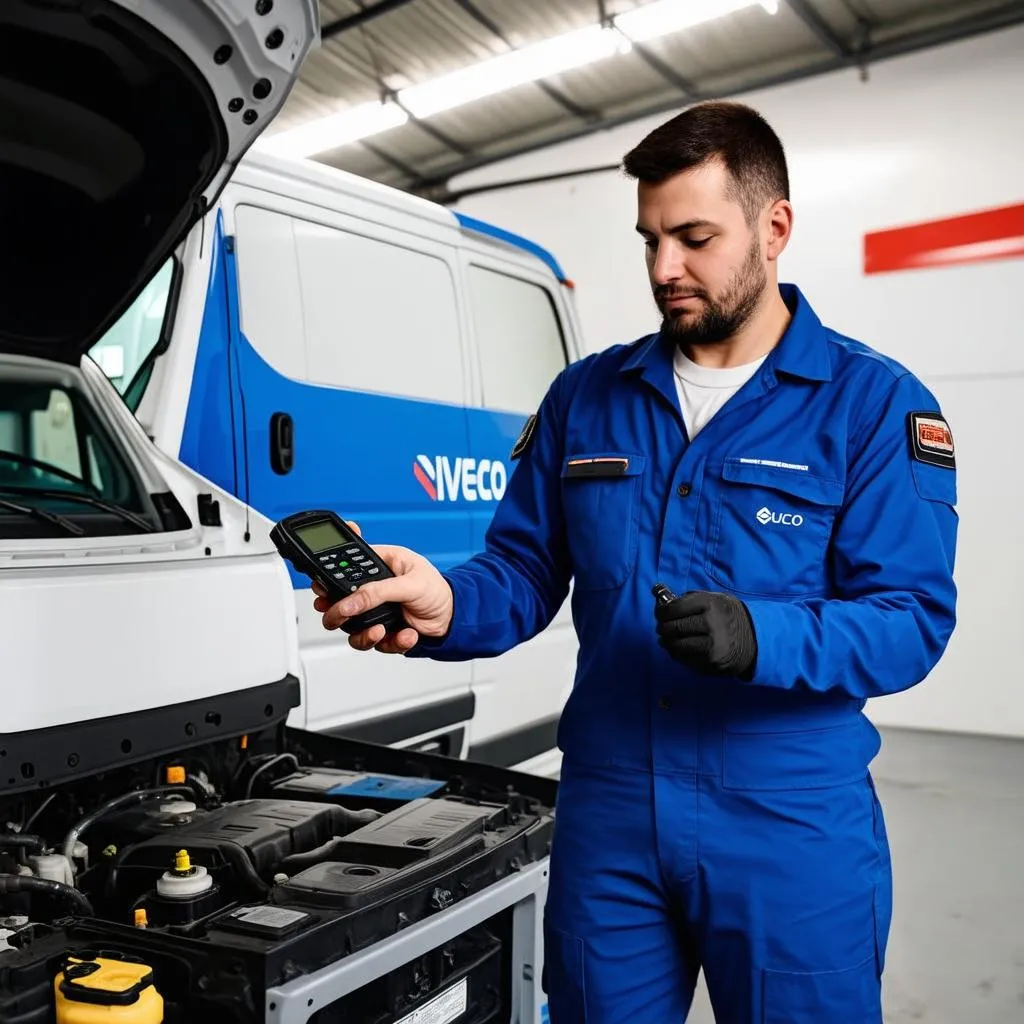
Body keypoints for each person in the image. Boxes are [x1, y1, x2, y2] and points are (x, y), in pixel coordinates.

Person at [313, 100, 958, 1023]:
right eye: (649, 240)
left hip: (788, 815)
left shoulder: (872, 405)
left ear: (775, 228)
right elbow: (524, 572)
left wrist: (761, 636)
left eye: (694, 237)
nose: (664, 269)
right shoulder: (587, 396)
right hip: (611, 807)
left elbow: (911, 620)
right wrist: (444, 601)